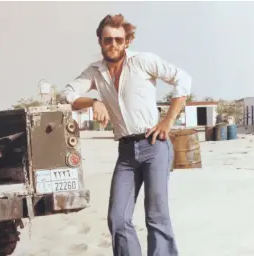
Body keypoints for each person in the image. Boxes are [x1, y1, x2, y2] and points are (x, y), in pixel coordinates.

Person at [61, 14, 192, 256]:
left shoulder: (143, 61)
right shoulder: (95, 72)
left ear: (127, 42)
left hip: (155, 144)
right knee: (118, 219)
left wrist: (168, 120)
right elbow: (67, 95)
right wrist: (92, 101)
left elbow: (182, 79)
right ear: (100, 41)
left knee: (156, 215)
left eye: (119, 40)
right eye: (108, 39)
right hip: (126, 152)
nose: (113, 45)